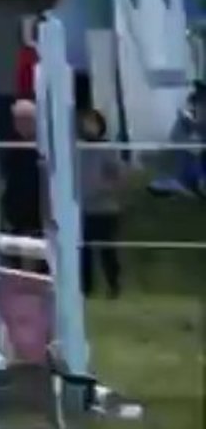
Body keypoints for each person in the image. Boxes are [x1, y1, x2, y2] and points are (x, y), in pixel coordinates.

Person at [76, 108, 125, 297]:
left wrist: (102, 188)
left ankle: (114, 286)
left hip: (106, 208)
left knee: (108, 251)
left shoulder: (108, 149)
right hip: (84, 209)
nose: (88, 126)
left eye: (92, 122)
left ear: (100, 125)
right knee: (84, 250)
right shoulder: (78, 148)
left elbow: (118, 176)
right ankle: (85, 288)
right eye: (85, 122)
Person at [0, 98, 47, 273]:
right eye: (17, 120)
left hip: (38, 212)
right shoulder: (11, 145)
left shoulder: (44, 145)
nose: (19, 124)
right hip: (17, 212)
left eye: (24, 120)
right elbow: (6, 176)